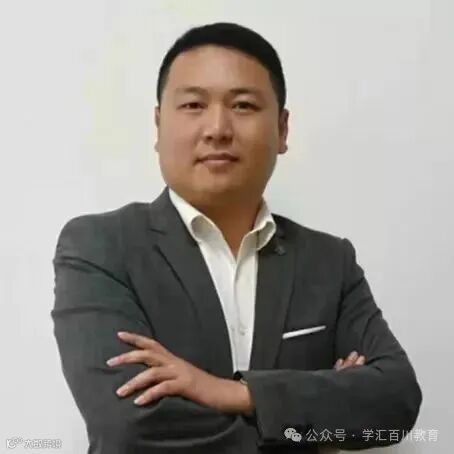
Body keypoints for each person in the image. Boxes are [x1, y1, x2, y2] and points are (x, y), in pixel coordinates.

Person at [51, 22, 422, 454]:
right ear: (158, 124)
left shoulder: (328, 261)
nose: (217, 128)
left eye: (243, 105)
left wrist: (235, 393)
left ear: (282, 130)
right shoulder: (100, 247)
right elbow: (130, 430)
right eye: (193, 104)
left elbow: (395, 401)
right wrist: (313, 430)